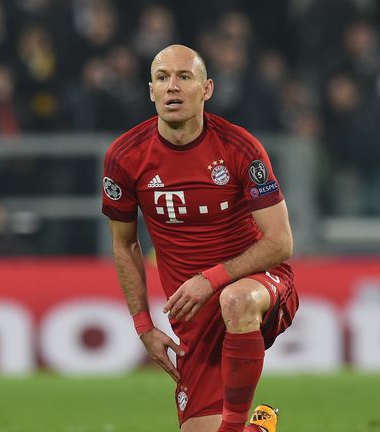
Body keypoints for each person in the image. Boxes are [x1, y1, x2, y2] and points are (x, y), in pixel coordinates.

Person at [102, 44, 298, 432]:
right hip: (196, 320)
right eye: (163, 78)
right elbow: (124, 244)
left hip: (260, 286)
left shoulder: (240, 148)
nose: (172, 87)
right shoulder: (125, 157)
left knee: (236, 299)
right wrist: (144, 327)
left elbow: (280, 243)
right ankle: (257, 428)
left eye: (184, 77)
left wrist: (212, 279)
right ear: (151, 91)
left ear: (206, 89)